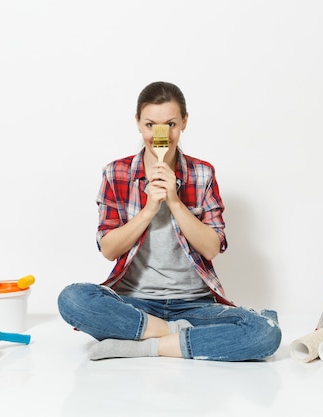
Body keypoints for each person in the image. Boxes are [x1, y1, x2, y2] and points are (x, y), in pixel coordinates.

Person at [57, 81, 281, 361]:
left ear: (184, 123)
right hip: (134, 304)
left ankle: (143, 345)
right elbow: (109, 249)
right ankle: (175, 335)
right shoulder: (116, 173)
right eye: (150, 124)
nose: (159, 134)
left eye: (170, 124)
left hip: (195, 306)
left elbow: (211, 248)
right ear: (138, 123)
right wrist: (149, 209)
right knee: (72, 299)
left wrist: (175, 201)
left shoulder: (202, 174)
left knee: (265, 333)